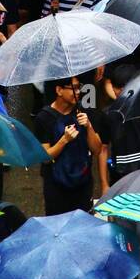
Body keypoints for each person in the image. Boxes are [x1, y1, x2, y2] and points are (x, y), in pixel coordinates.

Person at [34, 77, 105, 215]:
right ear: (59, 90)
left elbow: (97, 150)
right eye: (74, 88)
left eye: (79, 87)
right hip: (56, 186)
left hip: (83, 184)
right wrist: (64, 140)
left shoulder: (83, 112)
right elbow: (45, 157)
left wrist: (89, 126)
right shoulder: (44, 118)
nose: (78, 91)